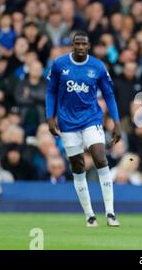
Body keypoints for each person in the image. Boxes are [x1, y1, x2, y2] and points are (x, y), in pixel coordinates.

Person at [46, 31, 122, 227]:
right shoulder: (59, 64)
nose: (80, 47)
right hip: (67, 123)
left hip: (91, 119)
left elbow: (109, 94)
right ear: (72, 45)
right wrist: (50, 117)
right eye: (77, 44)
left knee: (100, 158)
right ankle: (89, 215)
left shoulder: (97, 66)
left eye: (83, 44)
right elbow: (51, 91)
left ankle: (110, 213)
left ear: (89, 46)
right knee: (78, 167)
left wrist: (116, 122)